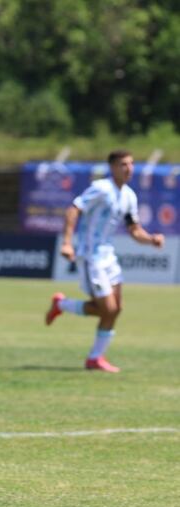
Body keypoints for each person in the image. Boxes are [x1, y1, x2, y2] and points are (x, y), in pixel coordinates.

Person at [44, 150, 165, 372]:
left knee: (116, 309)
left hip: (109, 256)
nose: (128, 169)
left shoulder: (129, 195)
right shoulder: (101, 188)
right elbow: (74, 210)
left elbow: (134, 229)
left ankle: (95, 358)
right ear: (112, 167)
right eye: (123, 165)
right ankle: (62, 305)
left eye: (131, 164)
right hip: (91, 256)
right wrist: (67, 243)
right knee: (107, 308)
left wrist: (151, 240)